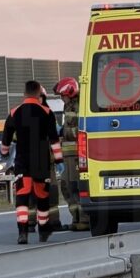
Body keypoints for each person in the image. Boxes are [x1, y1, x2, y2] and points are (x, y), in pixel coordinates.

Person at [3, 80, 63, 244]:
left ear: (24, 94)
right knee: (42, 196)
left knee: (22, 196)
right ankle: (43, 229)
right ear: (39, 94)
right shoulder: (46, 112)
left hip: (22, 160)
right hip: (41, 160)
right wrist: (58, 158)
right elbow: (54, 139)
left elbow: (6, 135)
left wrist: (4, 151)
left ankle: (22, 232)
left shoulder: (15, 112)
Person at [54, 76, 89, 231]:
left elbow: (80, 130)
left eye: (63, 96)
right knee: (66, 186)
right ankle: (76, 218)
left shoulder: (80, 106)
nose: (62, 99)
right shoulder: (69, 107)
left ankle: (85, 220)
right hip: (68, 155)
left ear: (70, 92)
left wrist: (63, 131)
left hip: (76, 154)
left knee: (76, 186)